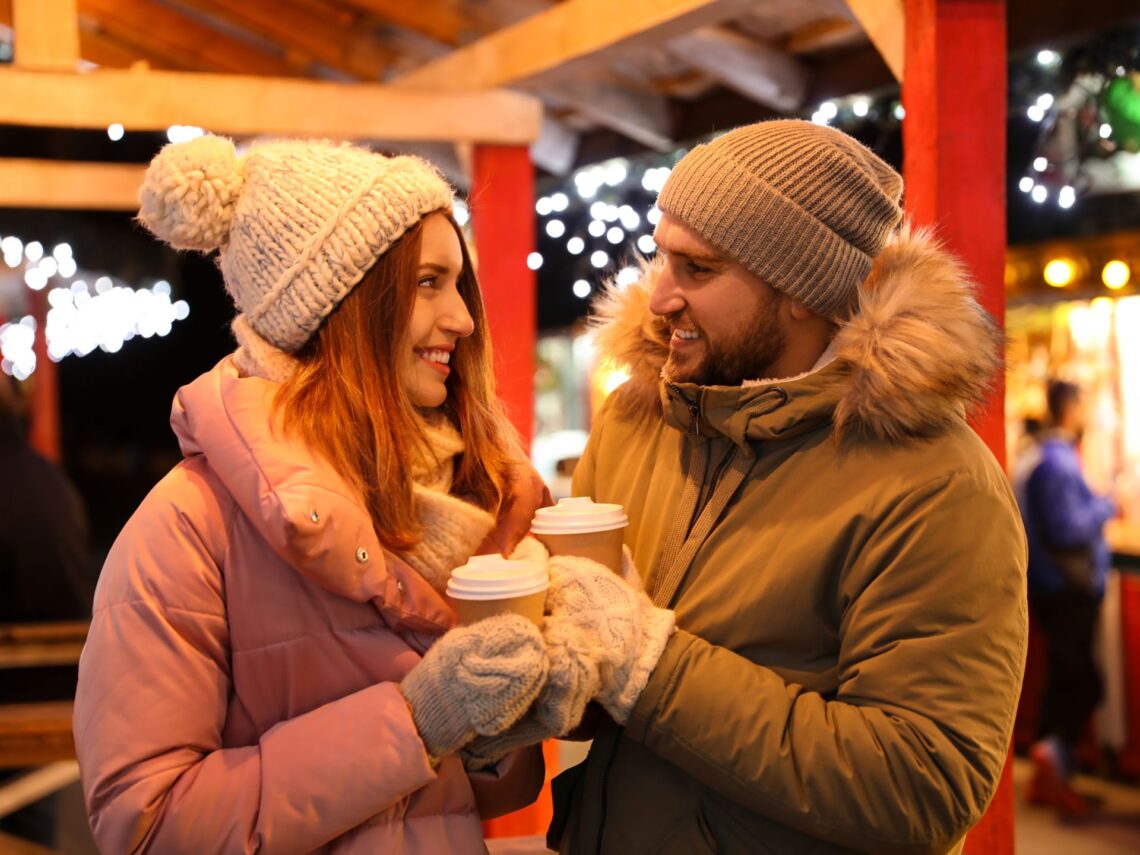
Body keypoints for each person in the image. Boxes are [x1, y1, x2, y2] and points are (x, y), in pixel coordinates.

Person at [477, 120, 1029, 854]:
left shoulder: (935, 485)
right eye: (662, 257)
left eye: (697, 269)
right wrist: (535, 670)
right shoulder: (640, 417)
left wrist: (650, 662)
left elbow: (923, 782)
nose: (659, 296)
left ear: (801, 289)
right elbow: (598, 695)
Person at [72, 135, 555, 853]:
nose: (461, 317)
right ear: (341, 304)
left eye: (460, 284)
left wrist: (507, 726)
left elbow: (453, 801)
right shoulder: (186, 526)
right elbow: (143, 826)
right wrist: (412, 722)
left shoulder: (465, 504)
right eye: (428, 283)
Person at [1018, 379, 1115, 816]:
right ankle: (1054, 768)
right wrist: (1107, 505)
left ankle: (1052, 775)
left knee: (1068, 680)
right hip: (1065, 589)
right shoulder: (1057, 463)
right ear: (1070, 410)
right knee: (1079, 683)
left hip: (1056, 587)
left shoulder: (1044, 457)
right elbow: (1068, 527)